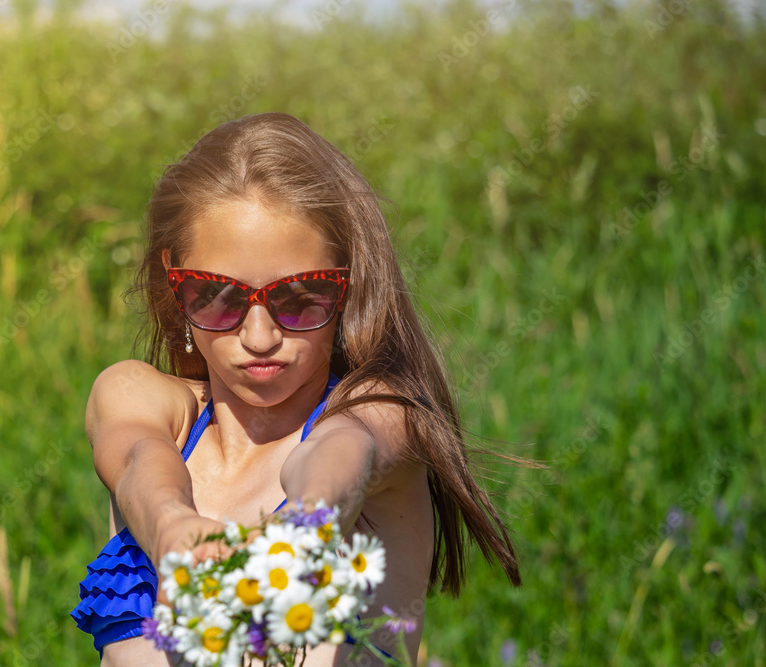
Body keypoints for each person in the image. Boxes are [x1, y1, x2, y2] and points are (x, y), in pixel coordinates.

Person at [71, 112, 522, 666]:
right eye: (218, 296)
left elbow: (343, 456)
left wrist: (304, 526)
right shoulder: (141, 400)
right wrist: (169, 526)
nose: (259, 337)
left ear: (348, 284)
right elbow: (140, 458)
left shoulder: (380, 411)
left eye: (300, 295)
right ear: (174, 282)